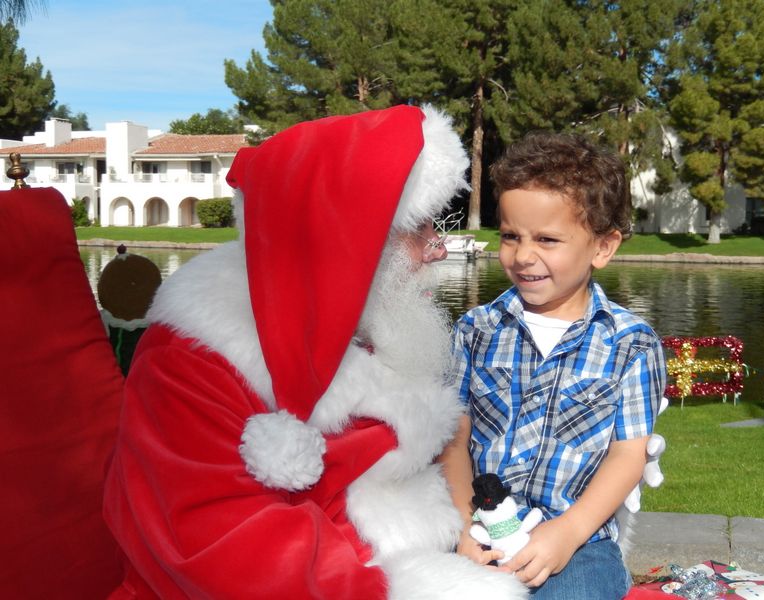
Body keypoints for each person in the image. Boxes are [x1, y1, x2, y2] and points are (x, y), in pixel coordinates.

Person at [102, 106, 531, 599]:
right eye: (419, 230)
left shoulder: (370, 322)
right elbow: (220, 548)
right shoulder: (192, 355)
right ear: (348, 238)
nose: (437, 249)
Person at [443, 132, 667, 599]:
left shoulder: (631, 344)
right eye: (510, 236)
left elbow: (628, 455)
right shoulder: (476, 331)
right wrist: (465, 527)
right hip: (477, 526)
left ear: (603, 248)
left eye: (547, 239)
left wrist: (568, 532)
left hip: (578, 538)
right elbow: (454, 438)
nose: (524, 255)